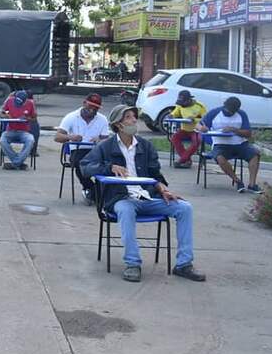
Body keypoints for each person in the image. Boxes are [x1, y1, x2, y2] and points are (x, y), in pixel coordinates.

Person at [80, 104, 206, 283]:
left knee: (185, 208)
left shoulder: (145, 146)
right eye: (128, 117)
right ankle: (133, 263)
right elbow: (85, 167)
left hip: (147, 197)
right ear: (118, 124)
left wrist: (163, 189)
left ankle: (184, 264)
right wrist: (109, 167)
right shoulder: (105, 147)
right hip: (121, 198)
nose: (134, 121)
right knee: (126, 210)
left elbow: (155, 175)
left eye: (134, 117)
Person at [197, 96, 262, 194]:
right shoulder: (215, 112)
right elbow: (199, 125)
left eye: (233, 111)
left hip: (240, 144)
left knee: (255, 154)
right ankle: (237, 181)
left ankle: (252, 184)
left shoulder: (242, 114)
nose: (230, 113)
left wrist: (234, 130)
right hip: (220, 144)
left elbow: (248, 133)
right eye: (228, 110)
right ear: (224, 106)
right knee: (220, 158)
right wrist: (202, 128)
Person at [54, 93, 110, 203]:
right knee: (80, 163)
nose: (92, 110)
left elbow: (107, 140)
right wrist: (70, 137)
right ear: (84, 103)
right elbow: (57, 137)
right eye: (90, 107)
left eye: (96, 108)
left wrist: (99, 140)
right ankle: (92, 190)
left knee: (108, 164)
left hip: (95, 150)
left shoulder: (102, 119)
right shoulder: (71, 117)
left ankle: (96, 192)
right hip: (78, 149)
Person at [0, 90, 36, 170]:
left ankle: (15, 163)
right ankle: (18, 162)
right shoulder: (9, 101)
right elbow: (1, 114)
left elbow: (34, 119)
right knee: (2, 140)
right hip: (11, 130)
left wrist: (27, 118)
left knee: (30, 140)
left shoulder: (30, 103)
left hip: (24, 131)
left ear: (25, 101)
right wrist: (7, 116)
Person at [170, 90, 207, 169]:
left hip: (195, 129)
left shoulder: (199, 106)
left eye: (183, 102)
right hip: (184, 129)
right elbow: (175, 113)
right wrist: (171, 115)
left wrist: (194, 119)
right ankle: (187, 160)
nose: (182, 104)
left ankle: (182, 160)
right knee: (174, 138)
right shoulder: (180, 106)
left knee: (196, 141)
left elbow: (204, 119)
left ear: (189, 100)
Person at [4, 91, 41, 156]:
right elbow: (3, 112)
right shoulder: (10, 100)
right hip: (11, 128)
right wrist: (8, 115)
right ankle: (16, 158)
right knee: (3, 139)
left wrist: (28, 118)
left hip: (25, 129)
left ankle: (32, 150)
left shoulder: (30, 103)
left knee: (33, 131)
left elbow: (34, 117)